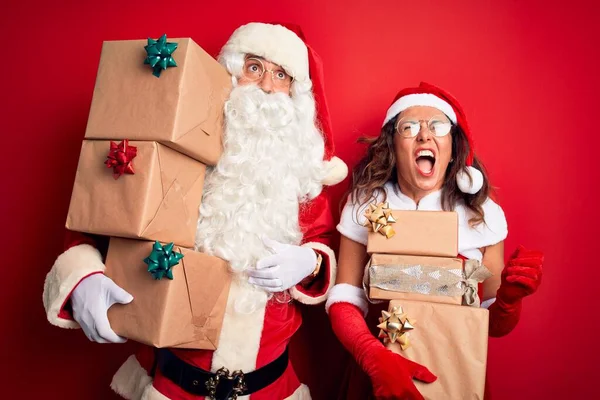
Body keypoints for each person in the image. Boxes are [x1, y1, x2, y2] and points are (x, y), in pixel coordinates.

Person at [43, 22, 348, 400]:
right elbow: (100, 213)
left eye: (281, 75)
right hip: (173, 384)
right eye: (254, 68)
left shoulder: (303, 176)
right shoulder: (175, 148)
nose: (267, 86)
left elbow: (321, 245)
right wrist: (83, 278)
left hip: (271, 388)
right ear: (230, 74)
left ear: (295, 93)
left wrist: (310, 263)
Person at [325, 82, 544, 399]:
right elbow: (344, 298)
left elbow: (492, 325)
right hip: (378, 377)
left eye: (437, 126)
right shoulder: (365, 204)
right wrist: (371, 356)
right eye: (409, 126)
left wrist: (509, 301)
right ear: (393, 144)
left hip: (454, 375)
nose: (424, 135)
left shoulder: (482, 215)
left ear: (453, 145)